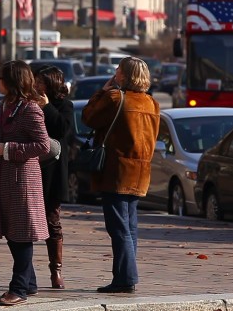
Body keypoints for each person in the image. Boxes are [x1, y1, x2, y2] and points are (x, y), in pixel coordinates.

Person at [81, 56, 160, 294]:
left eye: (117, 70)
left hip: (116, 170)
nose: (114, 73)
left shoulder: (116, 98)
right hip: (140, 170)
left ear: (124, 75)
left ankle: (126, 278)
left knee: (118, 227)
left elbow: (88, 117)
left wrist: (101, 93)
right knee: (129, 227)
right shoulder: (152, 103)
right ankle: (123, 276)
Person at [0, 60, 50, 306]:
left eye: (1, 77)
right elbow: (2, 134)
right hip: (5, 177)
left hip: (23, 178)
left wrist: (9, 149)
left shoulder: (30, 108)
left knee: (22, 234)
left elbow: (43, 145)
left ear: (13, 81)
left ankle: (19, 288)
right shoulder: (6, 104)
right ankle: (30, 282)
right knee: (12, 232)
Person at [33, 65, 74, 290]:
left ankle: (56, 270)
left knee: (52, 220)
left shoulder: (63, 106)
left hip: (53, 171)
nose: (37, 86)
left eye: (41, 82)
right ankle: (25, 272)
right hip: (32, 168)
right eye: (36, 81)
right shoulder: (29, 104)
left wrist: (47, 107)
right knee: (26, 220)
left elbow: (61, 129)